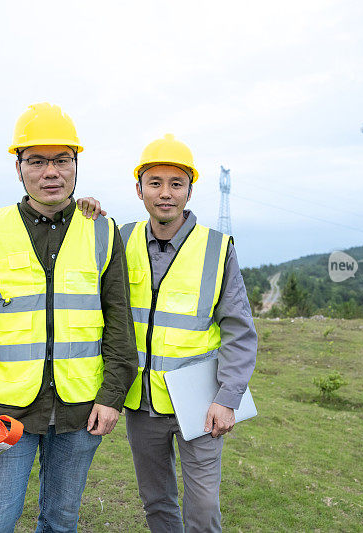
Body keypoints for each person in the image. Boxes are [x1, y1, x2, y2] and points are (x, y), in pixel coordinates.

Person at [0, 102, 137, 533]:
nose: (51, 172)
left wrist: (112, 394)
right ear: (18, 168)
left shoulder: (101, 229)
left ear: (76, 165)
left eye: (62, 160)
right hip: (5, 415)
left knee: (60, 521)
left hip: (81, 413)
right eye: (37, 161)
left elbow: (119, 323)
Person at [121, 134, 257, 532]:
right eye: (155, 183)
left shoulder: (217, 248)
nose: (166, 194)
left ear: (189, 190)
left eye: (176, 184)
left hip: (201, 404)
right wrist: (85, 210)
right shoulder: (120, 239)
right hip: (140, 402)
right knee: (156, 503)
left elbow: (239, 330)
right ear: (139, 189)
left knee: (201, 508)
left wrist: (227, 398)